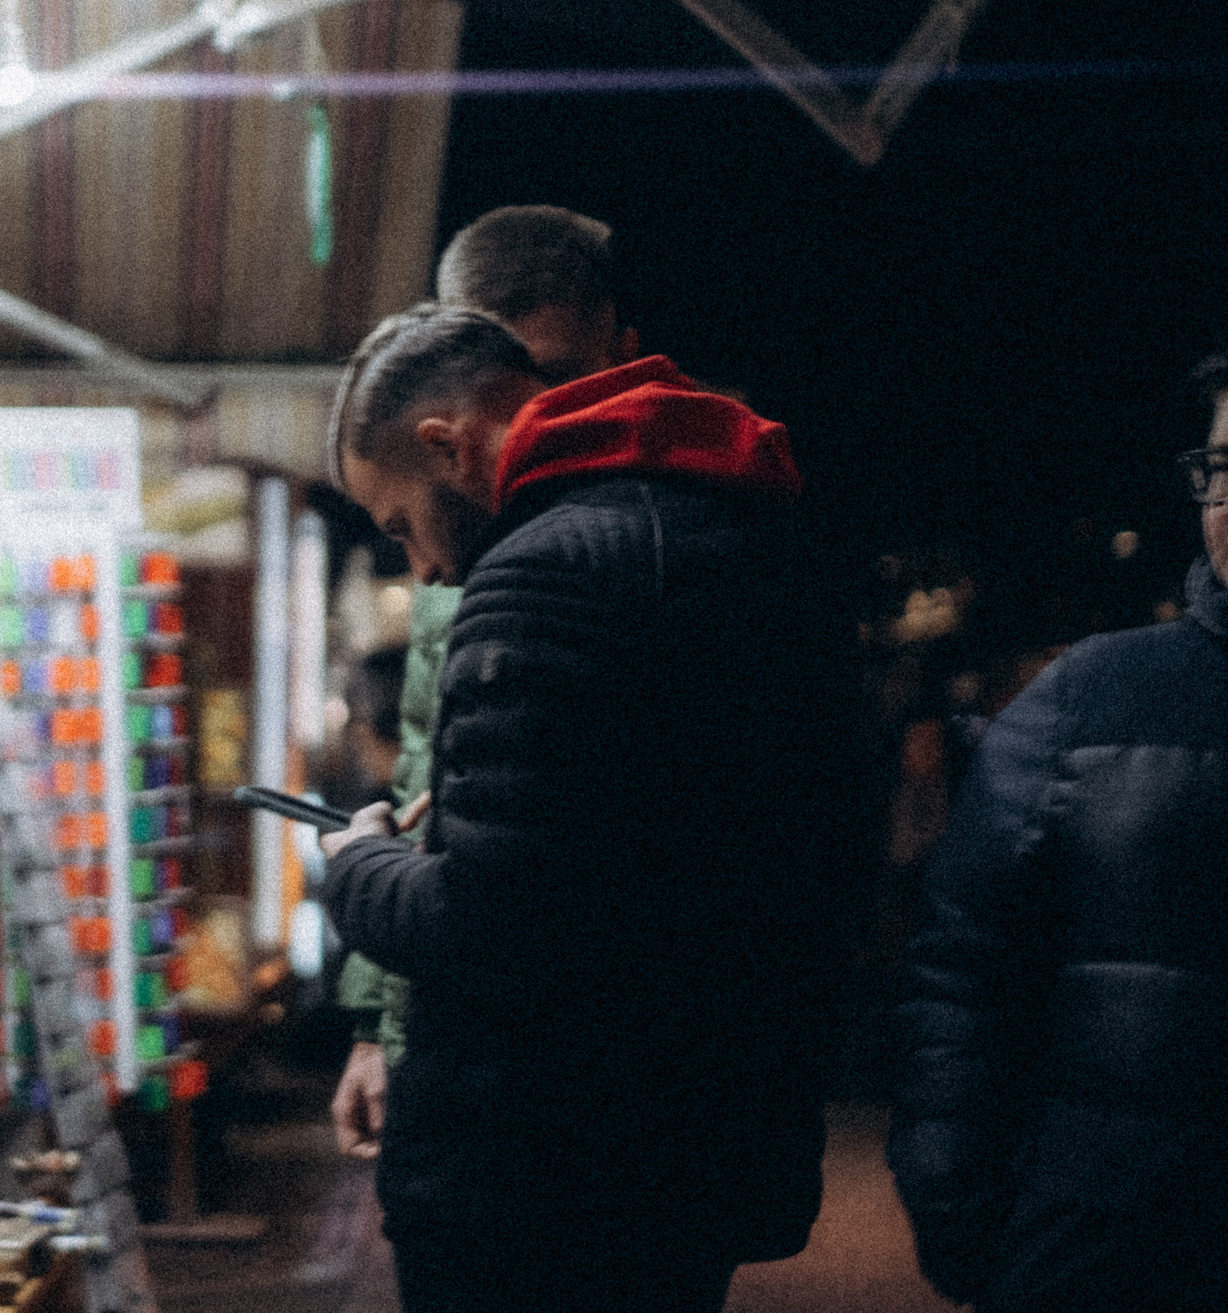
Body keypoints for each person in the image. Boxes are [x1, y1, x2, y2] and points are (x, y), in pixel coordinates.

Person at [320, 304, 852, 1313]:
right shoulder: (753, 535)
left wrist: (358, 867)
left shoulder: (542, 574)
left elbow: (492, 918)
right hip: (695, 1149)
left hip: (533, 1173)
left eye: (400, 526)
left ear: (448, 443)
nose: (422, 569)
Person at [886, 342, 1228, 1312]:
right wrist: (968, 1219)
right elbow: (963, 973)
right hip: (1106, 1263)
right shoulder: (1092, 694)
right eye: (1218, 468)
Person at [331, 205, 641, 1162]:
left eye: (558, 378)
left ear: (622, 348)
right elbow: (427, 771)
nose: (535, 415)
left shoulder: (636, 515)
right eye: (516, 380)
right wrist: (378, 1030)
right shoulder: (458, 547)